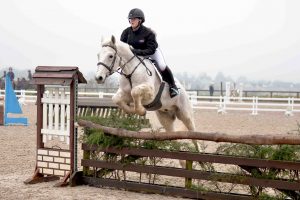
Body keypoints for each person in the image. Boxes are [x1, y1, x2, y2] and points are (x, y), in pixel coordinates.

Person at [120, 8, 179, 98]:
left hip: (151, 52)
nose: (131, 21)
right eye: (130, 19)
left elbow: (150, 49)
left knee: (162, 65)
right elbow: (122, 47)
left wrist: (136, 52)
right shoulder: (126, 33)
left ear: (140, 20)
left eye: (134, 19)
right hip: (135, 54)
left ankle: (173, 86)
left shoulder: (148, 33)